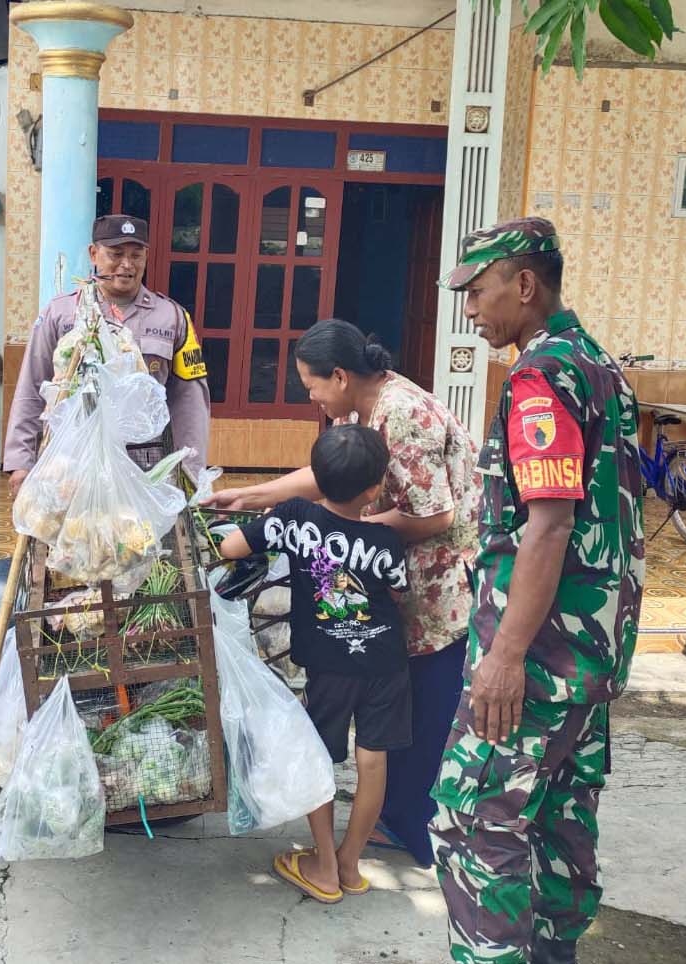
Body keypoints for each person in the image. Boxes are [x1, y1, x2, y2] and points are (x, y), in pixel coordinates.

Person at [428, 217, 645, 964]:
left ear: (524, 286)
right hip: (589, 653)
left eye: (479, 292)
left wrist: (504, 657)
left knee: (473, 824)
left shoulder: (540, 377)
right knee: (557, 822)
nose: (470, 309)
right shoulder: (599, 367)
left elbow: (547, 526)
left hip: (538, 658)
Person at [204, 319, 481, 868]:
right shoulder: (365, 408)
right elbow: (332, 475)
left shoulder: (402, 413)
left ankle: (408, 827)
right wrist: (255, 493)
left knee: (424, 717)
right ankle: (376, 832)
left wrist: (342, 535)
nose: (310, 396)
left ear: (339, 375)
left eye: (311, 385)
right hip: (390, 591)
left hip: (436, 586)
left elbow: (436, 514)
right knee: (384, 738)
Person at [218, 424, 410, 904]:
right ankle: (349, 861)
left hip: (329, 668)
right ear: (373, 489)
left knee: (318, 758)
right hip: (386, 663)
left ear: (317, 480)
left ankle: (323, 866)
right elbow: (394, 591)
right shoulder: (385, 539)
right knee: (374, 762)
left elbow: (230, 549)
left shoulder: (292, 516)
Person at [3, 214, 211, 491]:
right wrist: (21, 461)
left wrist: (191, 474)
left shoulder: (172, 317)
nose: (126, 265)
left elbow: (190, 403)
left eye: (136, 255)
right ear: (94, 254)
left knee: (140, 536)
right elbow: (31, 387)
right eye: (115, 254)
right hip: (69, 466)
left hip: (145, 469)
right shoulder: (61, 314)